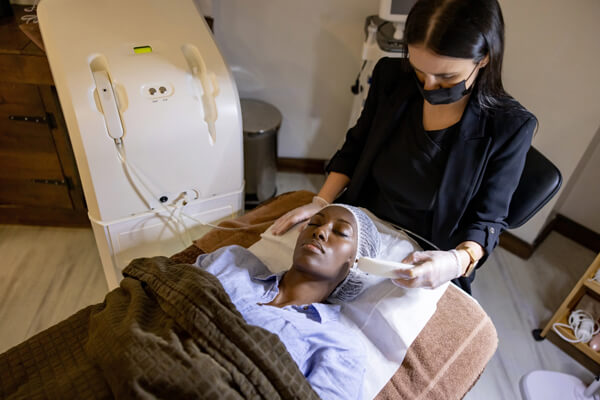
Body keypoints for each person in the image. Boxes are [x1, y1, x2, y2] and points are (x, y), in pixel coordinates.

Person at [272, 0, 536, 294]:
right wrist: (320, 203)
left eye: (446, 77)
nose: (429, 86)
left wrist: (457, 260)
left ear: (484, 58)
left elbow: (488, 219)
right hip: (360, 224)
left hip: (426, 252)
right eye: (420, 72)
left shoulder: (510, 127)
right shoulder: (392, 77)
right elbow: (355, 146)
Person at [194, 204, 381, 400]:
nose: (320, 231)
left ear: (357, 264)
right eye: (314, 223)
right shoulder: (231, 261)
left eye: (341, 232)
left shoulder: (339, 346)